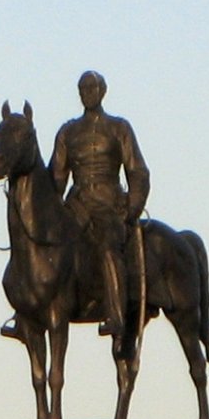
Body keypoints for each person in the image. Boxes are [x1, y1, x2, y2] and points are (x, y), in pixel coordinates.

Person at [49, 70, 149, 344]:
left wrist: (132, 208)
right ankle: (31, 312)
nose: (87, 93)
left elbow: (137, 172)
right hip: (77, 205)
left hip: (108, 204)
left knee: (108, 246)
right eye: (83, 89)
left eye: (92, 88)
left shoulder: (119, 128)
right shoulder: (68, 132)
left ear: (102, 91)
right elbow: (56, 178)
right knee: (49, 248)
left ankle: (116, 315)